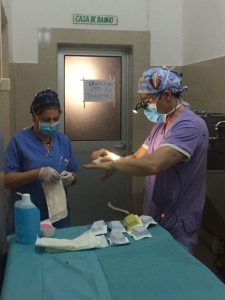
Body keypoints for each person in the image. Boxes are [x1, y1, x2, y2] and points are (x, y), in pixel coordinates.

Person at [84, 67, 209, 252]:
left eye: (147, 101)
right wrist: (112, 159)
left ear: (167, 95)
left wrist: (115, 164)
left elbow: (153, 164)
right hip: (156, 215)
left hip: (179, 221)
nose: (145, 107)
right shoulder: (160, 126)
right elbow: (138, 157)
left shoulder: (190, 126)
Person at [4, 89, 79, 231]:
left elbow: (74, 172)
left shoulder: (63, 140)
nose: (51, 123)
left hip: (58, 218)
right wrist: (38, 173)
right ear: (34, 116)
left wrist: (72, 178)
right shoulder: (19, 141)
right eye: (45, 120)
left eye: (55, 119)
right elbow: (7, 180)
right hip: (27, 218)